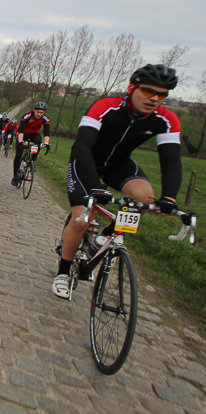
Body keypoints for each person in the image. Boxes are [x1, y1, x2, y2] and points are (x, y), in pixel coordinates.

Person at [52, 64, 181, 299]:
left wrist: (170, 198)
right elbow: (82, 146)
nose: (154, 99)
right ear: (132, 88)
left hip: (119, 164)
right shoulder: (105, 107)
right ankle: (63, 271)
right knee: (82, 219)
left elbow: (171, 161)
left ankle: (107, 236)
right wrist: (95, 187)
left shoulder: (167, 120)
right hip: (86, 160)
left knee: (144, 198)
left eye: (162, 95)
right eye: (148, 91)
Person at [11, 102, 50, 186]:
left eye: (41, 113)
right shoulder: (27, 116)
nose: (39, 114)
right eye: (37, 112)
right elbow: (20, 130)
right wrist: (21, 141)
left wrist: (46, 143)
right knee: (18, 155)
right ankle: (15, 176)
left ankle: (32, 160)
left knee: (38, 141)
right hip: (23, 134)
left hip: (34, 134)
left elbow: (47, 133)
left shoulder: (45, 118)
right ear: (34, 111)